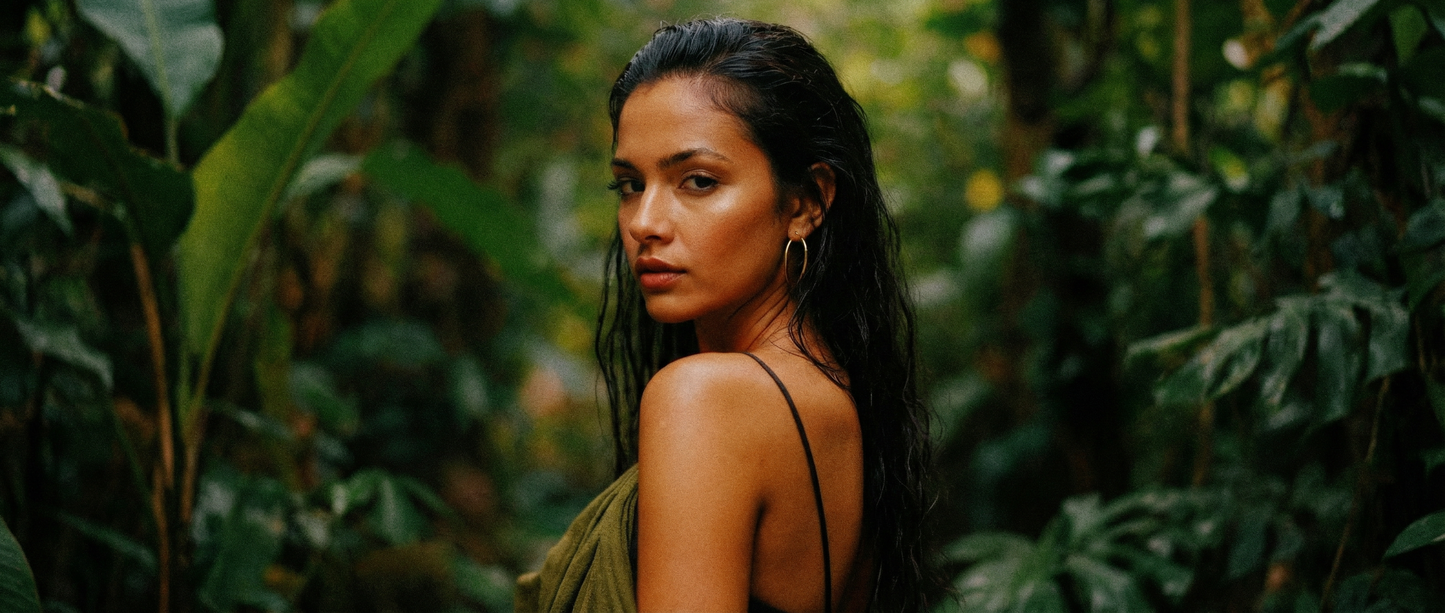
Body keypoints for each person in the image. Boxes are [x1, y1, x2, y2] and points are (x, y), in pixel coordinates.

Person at [516, 17, 936, 613]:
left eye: (698, 181)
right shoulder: (838, 397)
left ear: (805, 203)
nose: (644, 223)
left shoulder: (705, 399)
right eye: (629, 185)